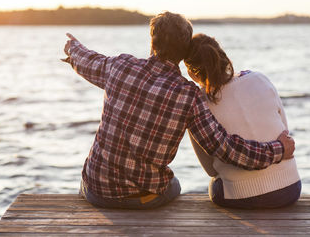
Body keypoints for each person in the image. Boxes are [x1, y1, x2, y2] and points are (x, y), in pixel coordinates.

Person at [61, 12, 295, 210]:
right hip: (143, 198)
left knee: (92, 175)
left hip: (96, 190)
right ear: (183, 54)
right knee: (174, 185)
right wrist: (277, 149)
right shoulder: (188, 95)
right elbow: (225, 149)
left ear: (152, 43)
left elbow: (88, 61)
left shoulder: (120, 66)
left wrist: (73, 48)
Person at [185, 33, 301, 209]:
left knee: (214, 184)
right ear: (223, 56)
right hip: (290, 189)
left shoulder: (198, 104)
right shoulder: (260, 78)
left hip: (240, 197)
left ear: (191, 73)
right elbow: (285, 133)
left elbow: (211, 170)